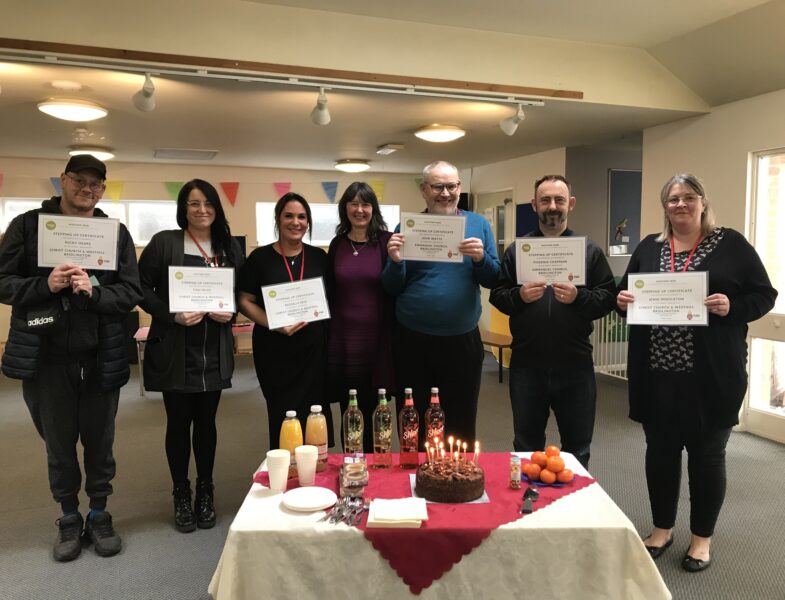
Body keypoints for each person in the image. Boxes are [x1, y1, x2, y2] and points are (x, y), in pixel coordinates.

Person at [616, 173, 776, 572]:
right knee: (661, 455)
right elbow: (624, 294)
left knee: (706, 458)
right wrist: (622, 301)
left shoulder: (730, 244)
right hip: (657, 376)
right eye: (673, 199)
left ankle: (701, 539)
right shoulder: (649, 248)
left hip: (710, 378)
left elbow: (764, 295)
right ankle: (662, 529)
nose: (681, 204)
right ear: (665, 206)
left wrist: (732, 306)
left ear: (702, 202)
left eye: (689, 197)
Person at [0, 154, 142, 561]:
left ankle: (99, 513)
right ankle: (67, 516)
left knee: (101, 443)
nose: (87, 189)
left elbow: (131, 291)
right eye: (79, 180)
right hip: (47, 357)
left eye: (96, 184)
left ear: (103, 189)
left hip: (102, 356)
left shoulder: (114, 233)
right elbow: (4, 283)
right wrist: (45, 283)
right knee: (59, 445)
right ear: (63, 180)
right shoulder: (28, 226)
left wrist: (95, 292)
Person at [137, 179, 244, 533]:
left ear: (217, 207)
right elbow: (140, 289)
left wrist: (230, 312)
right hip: (175, 351)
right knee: (179, 424)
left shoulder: (228, 248)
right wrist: (171, 314)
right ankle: (181, 492)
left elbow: (241, 293)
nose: (202, 210)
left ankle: (206, 490)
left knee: (208, 424)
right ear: (183, 208)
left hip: (213, 350)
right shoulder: (165, 243)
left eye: (208, 203)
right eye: (194, 204)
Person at [490, 175, 615, 468]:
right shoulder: (518, 251)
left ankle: (572, 507)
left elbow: (608, 297)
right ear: (534, 205)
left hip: (575, 365)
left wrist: (579, 298)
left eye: (559, 199)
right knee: (525, 446)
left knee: (578, 447)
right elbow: (497, 294)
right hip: (526, 365)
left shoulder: (589, 251)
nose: (552, 206)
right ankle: (529, 506)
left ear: (570, 204)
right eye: (545, 200)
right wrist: (519, 296)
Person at [382, 161, 500, 443]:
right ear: (424, 190)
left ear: (459, 187)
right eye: (438, 186)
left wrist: (481, 259)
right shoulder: (407, 227)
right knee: (414, 414)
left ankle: (457, 477)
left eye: (452, 186)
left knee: (461, 414)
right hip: (412, 339)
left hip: (461, 340)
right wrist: (396, 262)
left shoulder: (478, 225)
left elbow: (494, 279)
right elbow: (391, 287)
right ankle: (414, 474)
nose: (446, 193)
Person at [237, 192, 333, 447]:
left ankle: (316, 472)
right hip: (274, 350)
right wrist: (273, 323)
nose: (296, 222)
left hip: (313, 350)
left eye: (302, 217)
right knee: (283, 414)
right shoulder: (259, 258)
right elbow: (244, 301)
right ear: (278, 220)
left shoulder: (319, 257)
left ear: (308, 222)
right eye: (288, 216)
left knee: (315, 414)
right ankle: (286, 472)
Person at [326, 182, 395, 452]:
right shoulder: (337, 244)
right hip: (344, 341)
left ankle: (379, 466)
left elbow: (395, 285)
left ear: (373, 209)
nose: (359, 209)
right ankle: (352, 464)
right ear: (345, 208)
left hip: (377, 341)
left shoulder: (387, 241)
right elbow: (329, 290)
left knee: (378, 409)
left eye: (365, 204)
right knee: (350, 409)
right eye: (353, 204)